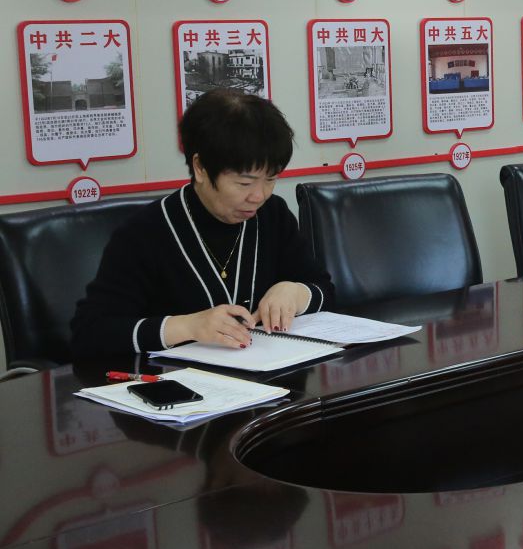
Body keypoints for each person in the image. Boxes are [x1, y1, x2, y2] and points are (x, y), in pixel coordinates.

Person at [70, 91, 334, 358]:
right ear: (200, 167)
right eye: (244, 182)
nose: (259, 196)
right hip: (178, 380)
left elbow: (324, 289)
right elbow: (89, 333)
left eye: (271, 179)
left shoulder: (273, 214)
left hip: (271, 375)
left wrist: (295, 293)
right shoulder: (145, 232)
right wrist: (187, 326)